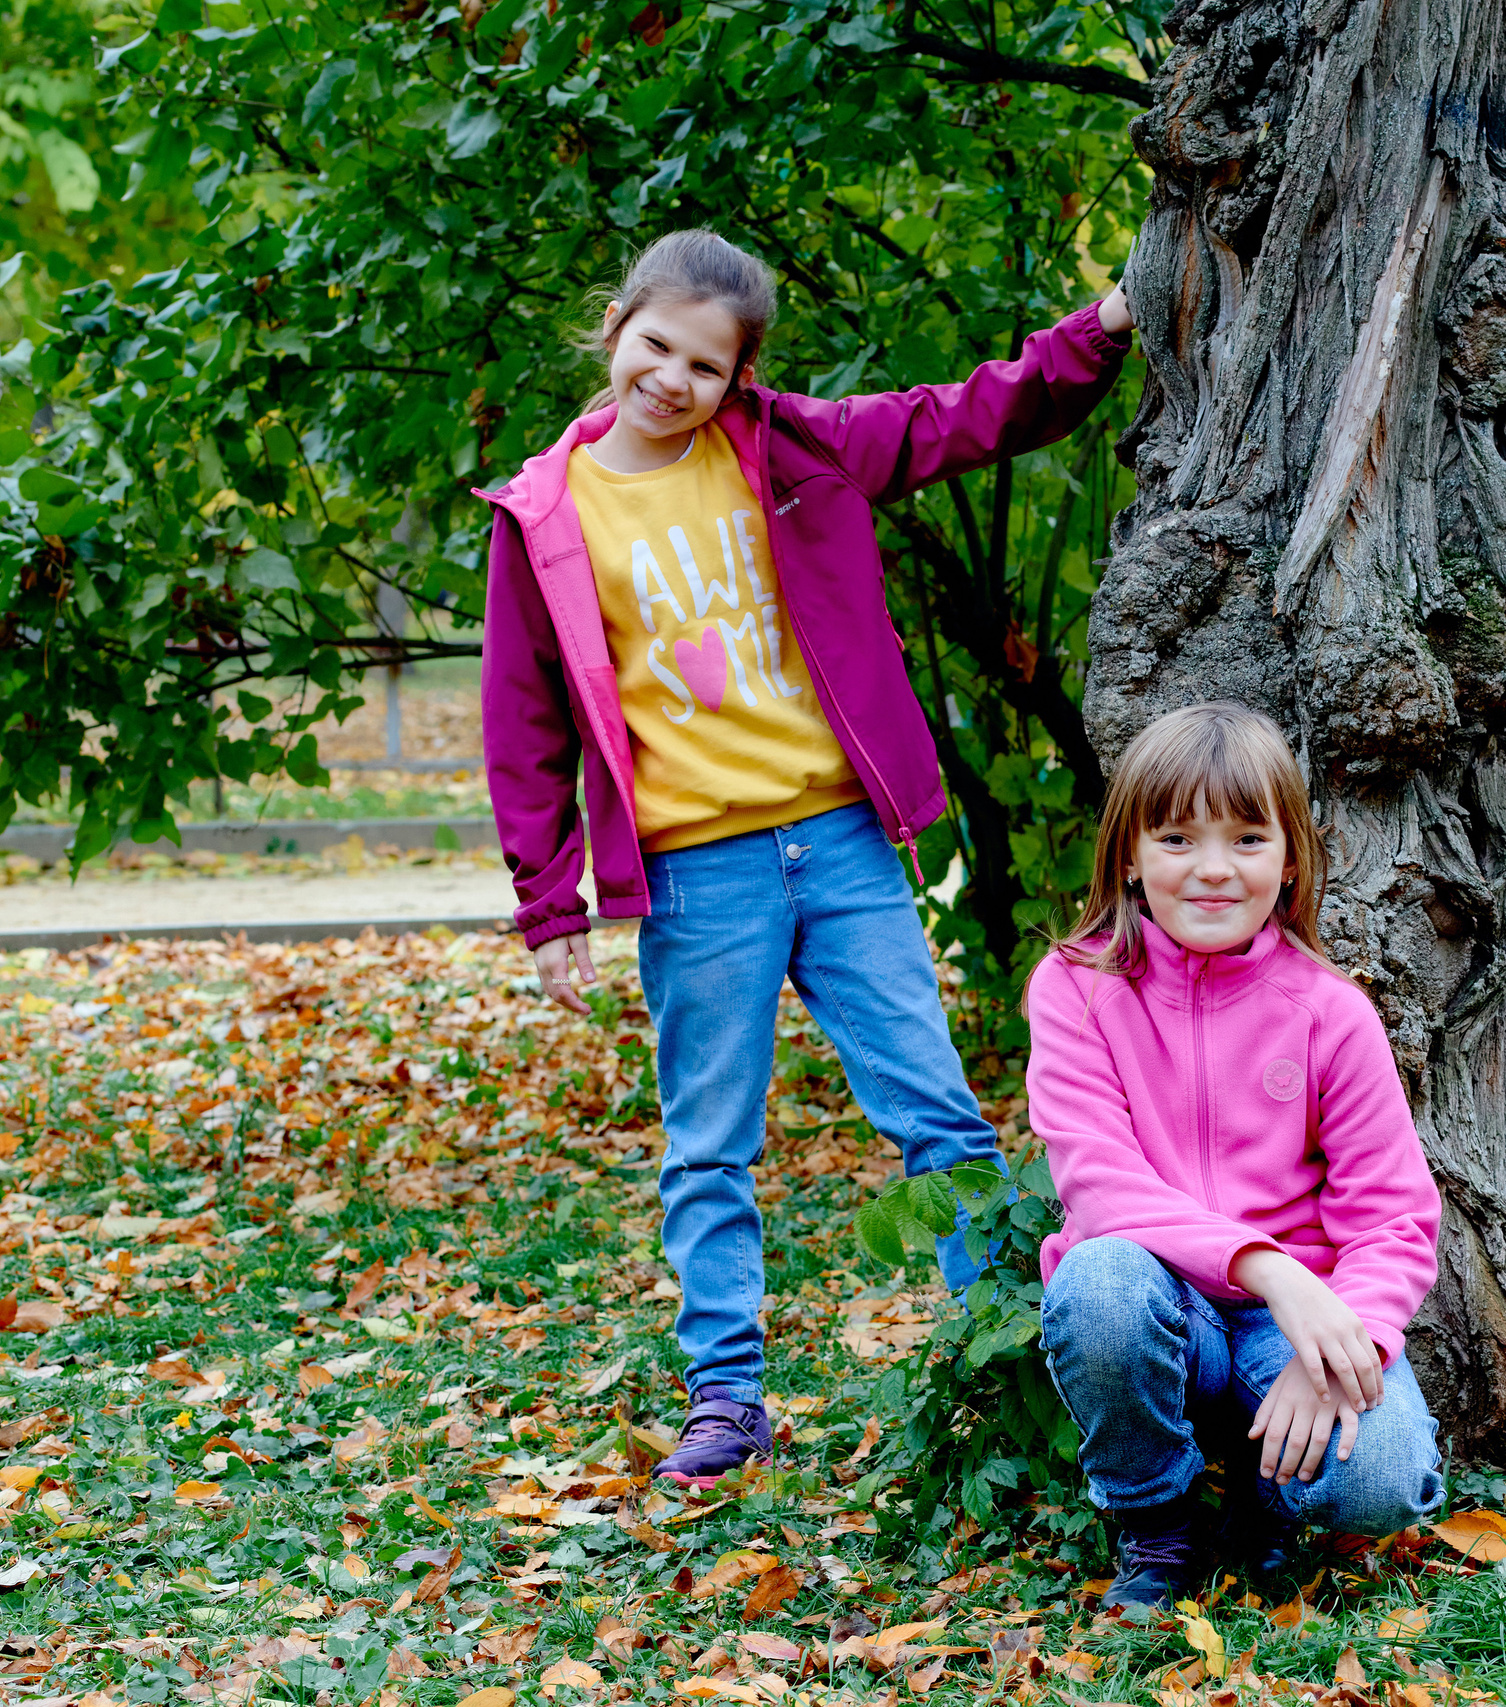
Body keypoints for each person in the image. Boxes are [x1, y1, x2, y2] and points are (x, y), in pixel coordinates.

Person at [478, 228, 1135, 1487]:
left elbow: (962, 419)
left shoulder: (787, 451)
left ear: (742, 377)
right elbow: (525, 719)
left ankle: (1007, 1353)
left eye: (706, 366)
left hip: (837, 847)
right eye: (657, 346)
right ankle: (726, 1396)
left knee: (936, 1113)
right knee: (710, 1145)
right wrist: (548, 901)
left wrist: (1100, 331)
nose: (673, 379)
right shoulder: (544, 516)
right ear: (615, 326)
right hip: (696, 872)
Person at [1027, 703, 1446, 1609]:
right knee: (1098, 1284)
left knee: (1381, 1480)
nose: (1213, 869)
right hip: (1156, 1298)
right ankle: (1159, 1520)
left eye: (1248, 837)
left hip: (1284, 1330)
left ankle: (1269, 1492)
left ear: (1289, 859)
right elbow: (1100, 1187)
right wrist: (1272, 1271)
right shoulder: (1076, 989)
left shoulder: (1331, 1012)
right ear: (1129, 857)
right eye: (1177, 837)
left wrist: (1340, 1338)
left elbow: (1394, 1216)